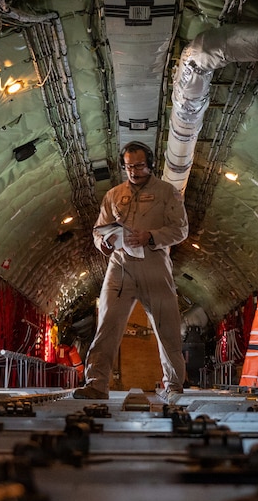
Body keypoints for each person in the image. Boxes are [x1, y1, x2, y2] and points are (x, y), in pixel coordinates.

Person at [73, 141, 189, 400]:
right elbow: (98, 229)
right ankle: (96, 384)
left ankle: (174, 386)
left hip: (154, 264)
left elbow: (180, 230)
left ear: (150, 163)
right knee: (106, 324)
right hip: (120, 265)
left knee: (166, 328)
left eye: (138, 166)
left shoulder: (168, 193)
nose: (133, 171)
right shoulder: (113, 195)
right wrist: (102, 243)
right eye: (128, 167)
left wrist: (150, 236)